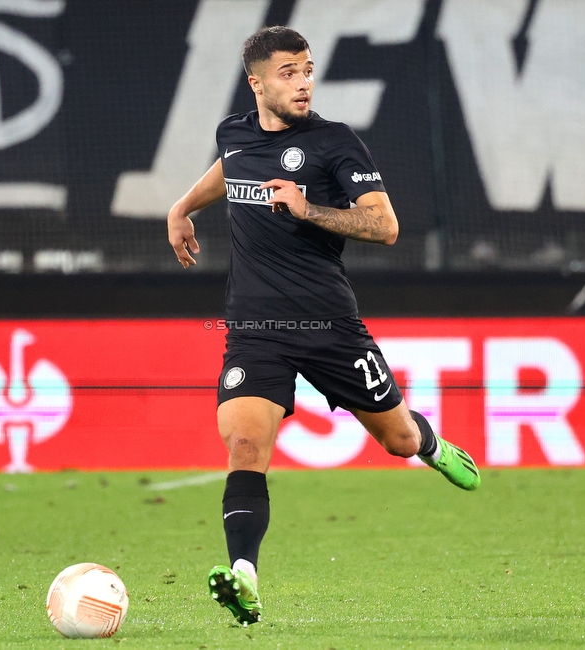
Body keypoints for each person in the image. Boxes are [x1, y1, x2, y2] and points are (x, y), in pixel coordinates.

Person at [166, 26, 480, 626]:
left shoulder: (336, 144)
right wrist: (182, 207)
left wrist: (307, 208)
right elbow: (230, 167)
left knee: (400, 442)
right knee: (246, 445)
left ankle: (432, 444)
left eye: (307, 70)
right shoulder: (234, 133)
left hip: (331, 327)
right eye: (288, 72)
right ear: (256, 82)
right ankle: (245, 577)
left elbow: (385, 226)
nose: (303, 82)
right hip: (255, 329)